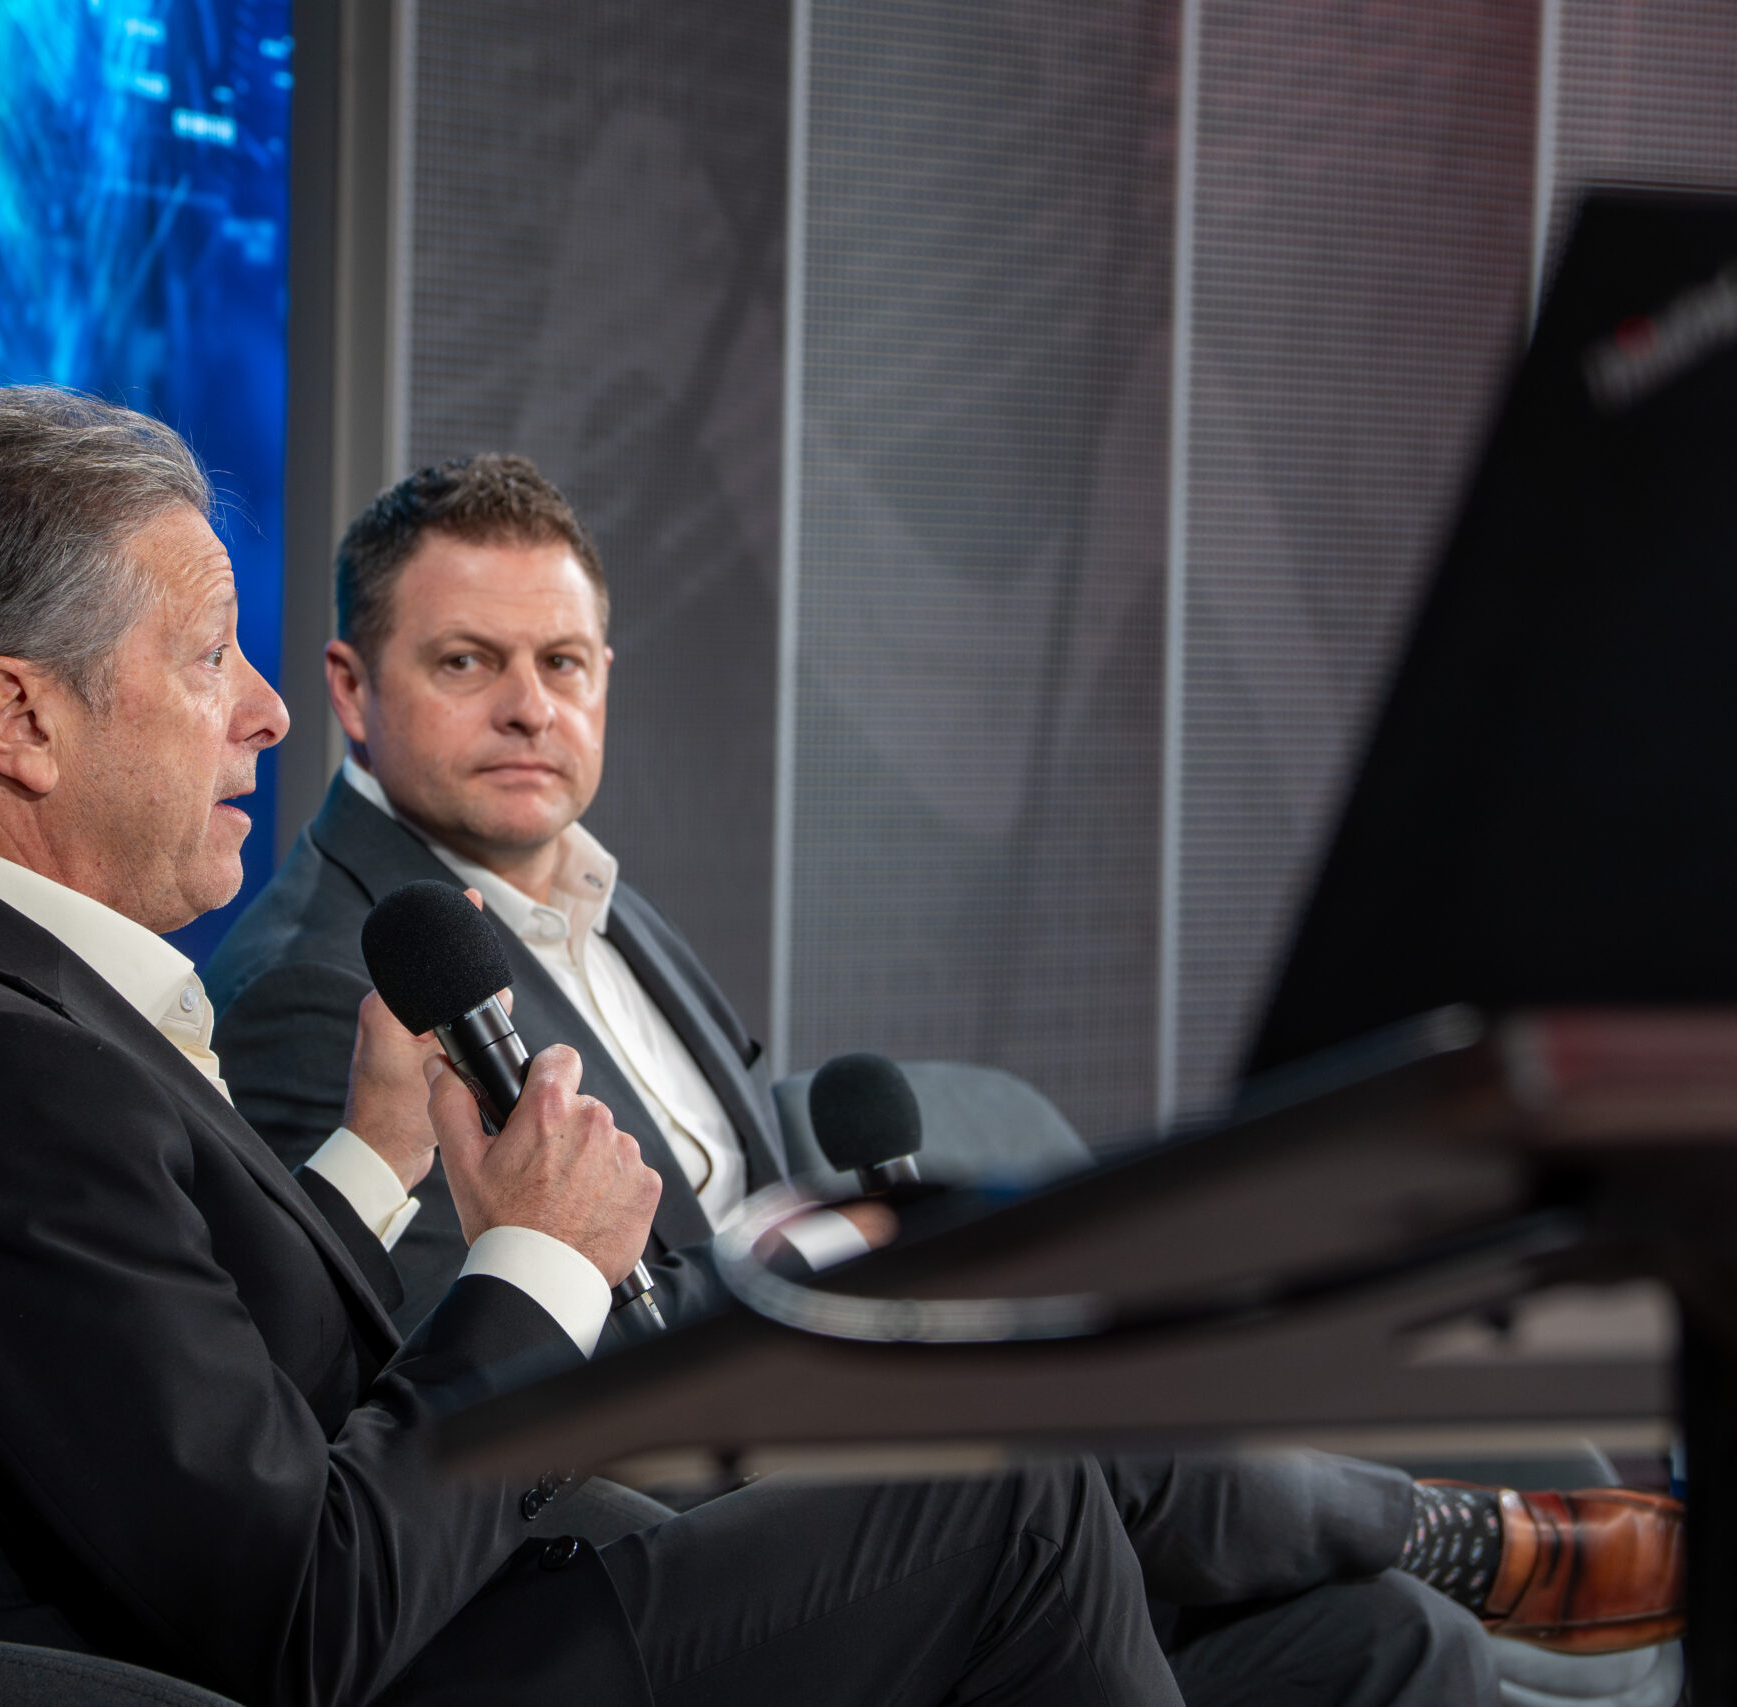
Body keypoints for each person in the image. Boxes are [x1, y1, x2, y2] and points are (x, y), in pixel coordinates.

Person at [0, 386, 1235, 1707]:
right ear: (19, 720)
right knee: (1014, 1511)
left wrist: (374, 1163)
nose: (265, 714)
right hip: (390, 1663)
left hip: (441, 1619)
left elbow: (186, 1384)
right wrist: (542, 1261)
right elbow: (305, 1616)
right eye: (210, 657)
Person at [201, 452, 1687, 1690]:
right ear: (352, 687)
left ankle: (1420, 1556)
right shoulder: (325, 985)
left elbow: (753, 1201)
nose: (531, 706)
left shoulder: (600, 900)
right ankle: (1448, 1533)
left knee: (1386, 1649)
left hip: (840, 1437)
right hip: (695, 1530)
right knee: (1038, 1407)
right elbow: (457, 1366)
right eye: (469, 662)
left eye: (563, 664)